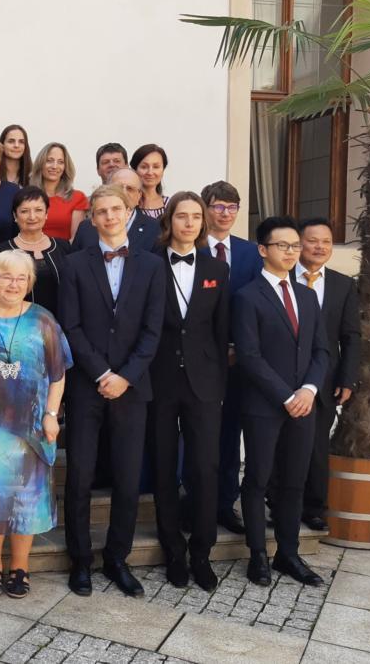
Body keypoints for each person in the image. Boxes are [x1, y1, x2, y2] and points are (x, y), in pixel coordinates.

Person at [58, 184, 166, 598]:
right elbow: (72, 326)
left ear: (128, 210)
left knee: (125, 478)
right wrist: (102, 372)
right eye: (100, 211)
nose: (108, 217)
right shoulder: (74, 264)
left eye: (115, 209)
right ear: (91, 218)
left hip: (133, 388)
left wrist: (126, 376)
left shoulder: (153, 266)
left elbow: (153, 329)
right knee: (81, 477)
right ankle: (80, 560)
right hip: (87, 385)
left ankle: (117, 558)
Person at [0, 251, 71, 599]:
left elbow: (58, 374)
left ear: (30, 283)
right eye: (6, 276)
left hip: (32, 427)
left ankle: (21, 568)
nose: (13, 284)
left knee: (27, 500)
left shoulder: (43, 320)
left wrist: (51, 415)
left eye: (21, 278)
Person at [234, 217, 329, 587]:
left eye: (295, 246)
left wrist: (308, 390)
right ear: (263, 249)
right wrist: (286, 395)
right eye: (282, 246)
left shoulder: (306, 295)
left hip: (304, 406)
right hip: (263, 405)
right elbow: (249, 355)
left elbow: (322, 349)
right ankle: (257, 554)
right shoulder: (246, 296)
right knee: (258, 480)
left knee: (294, 481)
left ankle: (287, 554)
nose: (291, 252)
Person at [147, 192, 229, 592]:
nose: (190, 223)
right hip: (160, 378)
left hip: (204, 382)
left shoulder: (218, 268)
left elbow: (222, 330)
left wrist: (220, 383)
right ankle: (173, 551)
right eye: (183, 216)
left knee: (204, 468)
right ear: (170, 220)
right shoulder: (148, 262)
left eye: (197, 216)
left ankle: (202, 551)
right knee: (164, 466)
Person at [269, 218, 360, 531]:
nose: (319, 247)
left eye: (326, 242)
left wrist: (347, 378)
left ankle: (314, 507)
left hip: (324, 381)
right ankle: (275, 503)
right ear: (298, 243)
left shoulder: (343, 284)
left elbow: (350, 336)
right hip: (281, 377)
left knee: (317, 446)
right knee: (278, 444)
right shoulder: (278, 278)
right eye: (312, 241)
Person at [201, 180, 262, 535]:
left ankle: (224, 503)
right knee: (197, 435)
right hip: (198, 358)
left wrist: (239, 348)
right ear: (206, 209)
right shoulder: (190, 247)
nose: (225, 213)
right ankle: (195, 501)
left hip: (239, 361)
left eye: (231, 207)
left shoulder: (251, 253)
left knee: (229, 433)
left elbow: (255, 305)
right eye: (218, 206)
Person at [0, 186, 70, 314]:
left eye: (39, 210)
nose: (32, 217)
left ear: (46, 214)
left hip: (60, 325)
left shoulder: (64, 247)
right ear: (15, 215)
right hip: (18, 325)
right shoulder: (2, 251)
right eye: (24, 211)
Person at [72, 168, 161, 252]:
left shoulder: (155, 228)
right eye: (118, 188)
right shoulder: (86, 228)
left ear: (139, 196)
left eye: (130, 189)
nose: (124, 193)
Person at [30, 142, 88, 241]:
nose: (55, 166)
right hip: (29, 253)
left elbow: (75, 239)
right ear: (41, 163)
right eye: (49, 161)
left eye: (60, 162)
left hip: (64, 254)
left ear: (65, 167)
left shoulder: (77, 197)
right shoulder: (27, 196)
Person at [131, 143, 169, 219]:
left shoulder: (171, 204)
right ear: (135, 170)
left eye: (156, 167)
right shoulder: (127, 205)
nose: (150, 172)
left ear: (163, 170)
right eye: (144, 167)